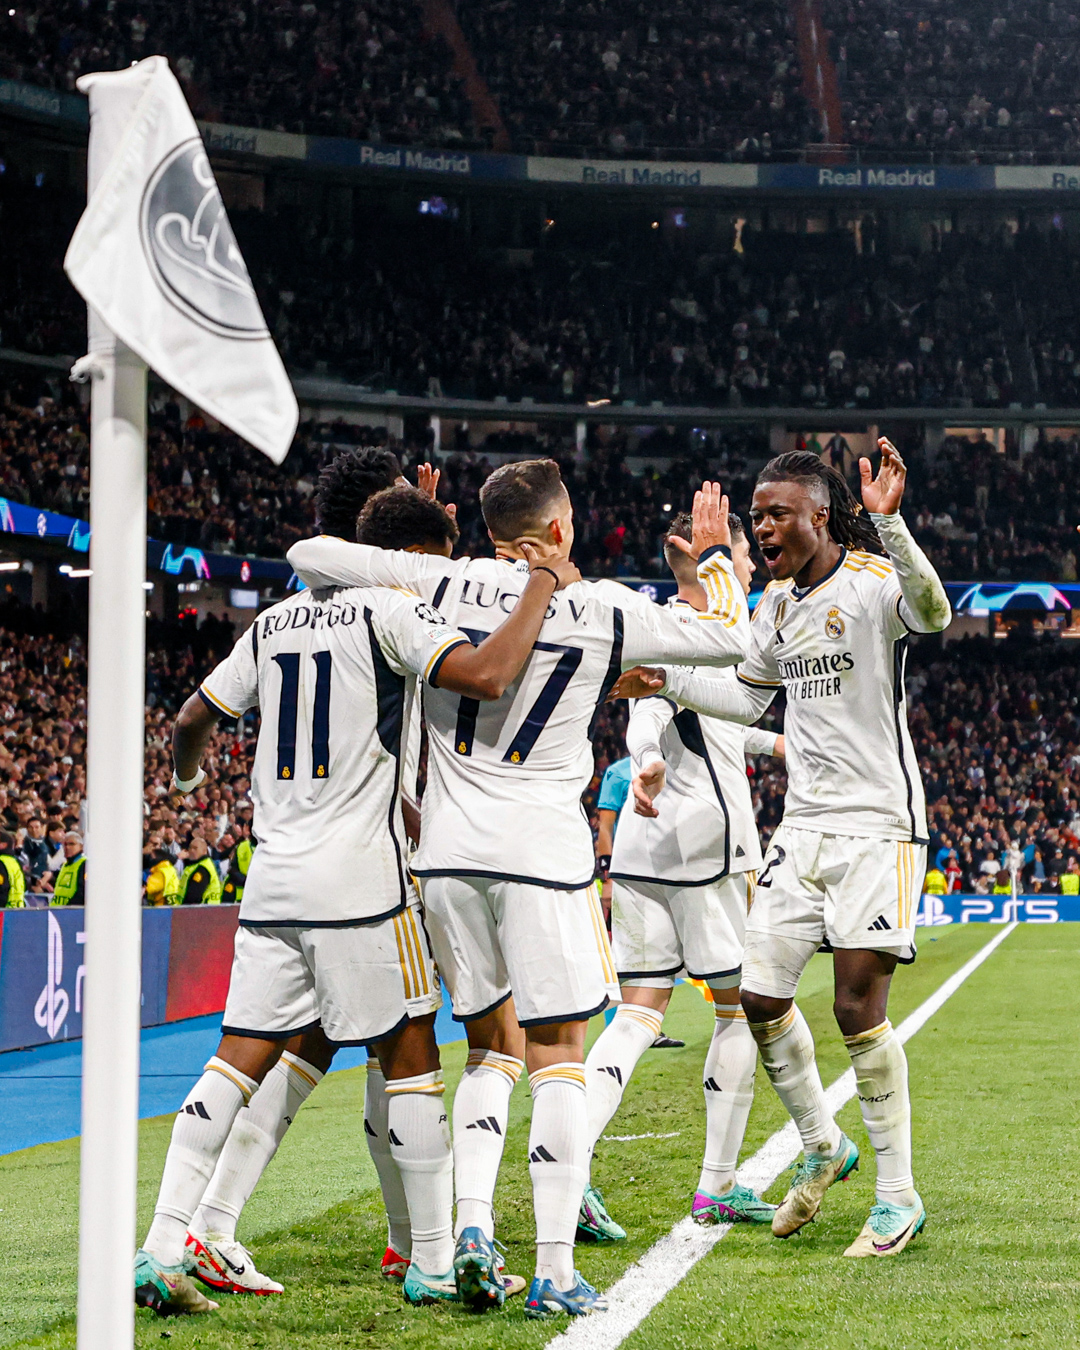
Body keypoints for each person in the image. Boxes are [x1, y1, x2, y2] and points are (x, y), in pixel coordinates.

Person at [288, 463, 751, 1318]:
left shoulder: (436, 580)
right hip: (541, 855)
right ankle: (553, 1270)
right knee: (558, 1053)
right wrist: (711, 564)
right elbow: (732, 643)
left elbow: (308, 553)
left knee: (487, 1050)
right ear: (561, 530)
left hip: (447, 858)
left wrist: (403, 544)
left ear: (489, 528)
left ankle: (470, 1228)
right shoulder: (604, 607)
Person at [134, 503, 577, 1319]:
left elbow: (193, 717)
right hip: (362, 882)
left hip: (273, 879)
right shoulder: (389, 609)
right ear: (398, 555)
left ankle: (163, 1246)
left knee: (235, 1060)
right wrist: (543, 584)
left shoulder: (271, 622)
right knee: (412, 1060)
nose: (433, 583)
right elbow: (488, 676)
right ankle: (432, 1259)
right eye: (429, 564)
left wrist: (189, 782)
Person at [612, 439, 950, 1259]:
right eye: (756, 515)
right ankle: (824, 1143)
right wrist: (668, 681)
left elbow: (935, 613)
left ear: (821, 516)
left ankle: (897, 1196)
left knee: (855, 1008)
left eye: (776, 514)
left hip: (878, 825)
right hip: (800, 828)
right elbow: (747, 699)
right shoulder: (773, 607)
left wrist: (892, 524)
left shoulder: (871, 583)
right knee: (759, 1000)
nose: (761, 527)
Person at [579, 512, 783, 1245]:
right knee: (738, 1013)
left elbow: (704, 721)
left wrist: (781, 745)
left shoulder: (660, 623)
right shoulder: (714, 629)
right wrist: (646, 759)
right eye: (742, 556)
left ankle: (570, 1172)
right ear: (714, 560)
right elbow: (652, 714)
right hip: (705, 849)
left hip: (643, 852)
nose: (750, 568)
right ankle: (717, 1186)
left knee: (638, 1014)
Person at [179, 836, 223, 905]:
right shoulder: (194, 865)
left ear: (204, 851)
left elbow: (194, 895)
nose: (191, 850)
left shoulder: (202, 868)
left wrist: (183, 909)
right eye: (190, 847)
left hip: (204, 909)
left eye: (195, 848)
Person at [51, 832, 86, 906]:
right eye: (65, 844)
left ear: (81, 846)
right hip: (56, 909)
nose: (67, 847)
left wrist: (67, 908)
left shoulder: (84, 865)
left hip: (70, 910)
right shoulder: (65, 865)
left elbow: (82, 892)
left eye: (71, 844)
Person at [0, 831, 26, 908]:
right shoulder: (15, 861)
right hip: (17, 907)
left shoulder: (1, 862)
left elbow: (2, 887)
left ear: (3, 845)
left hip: (3, 909)